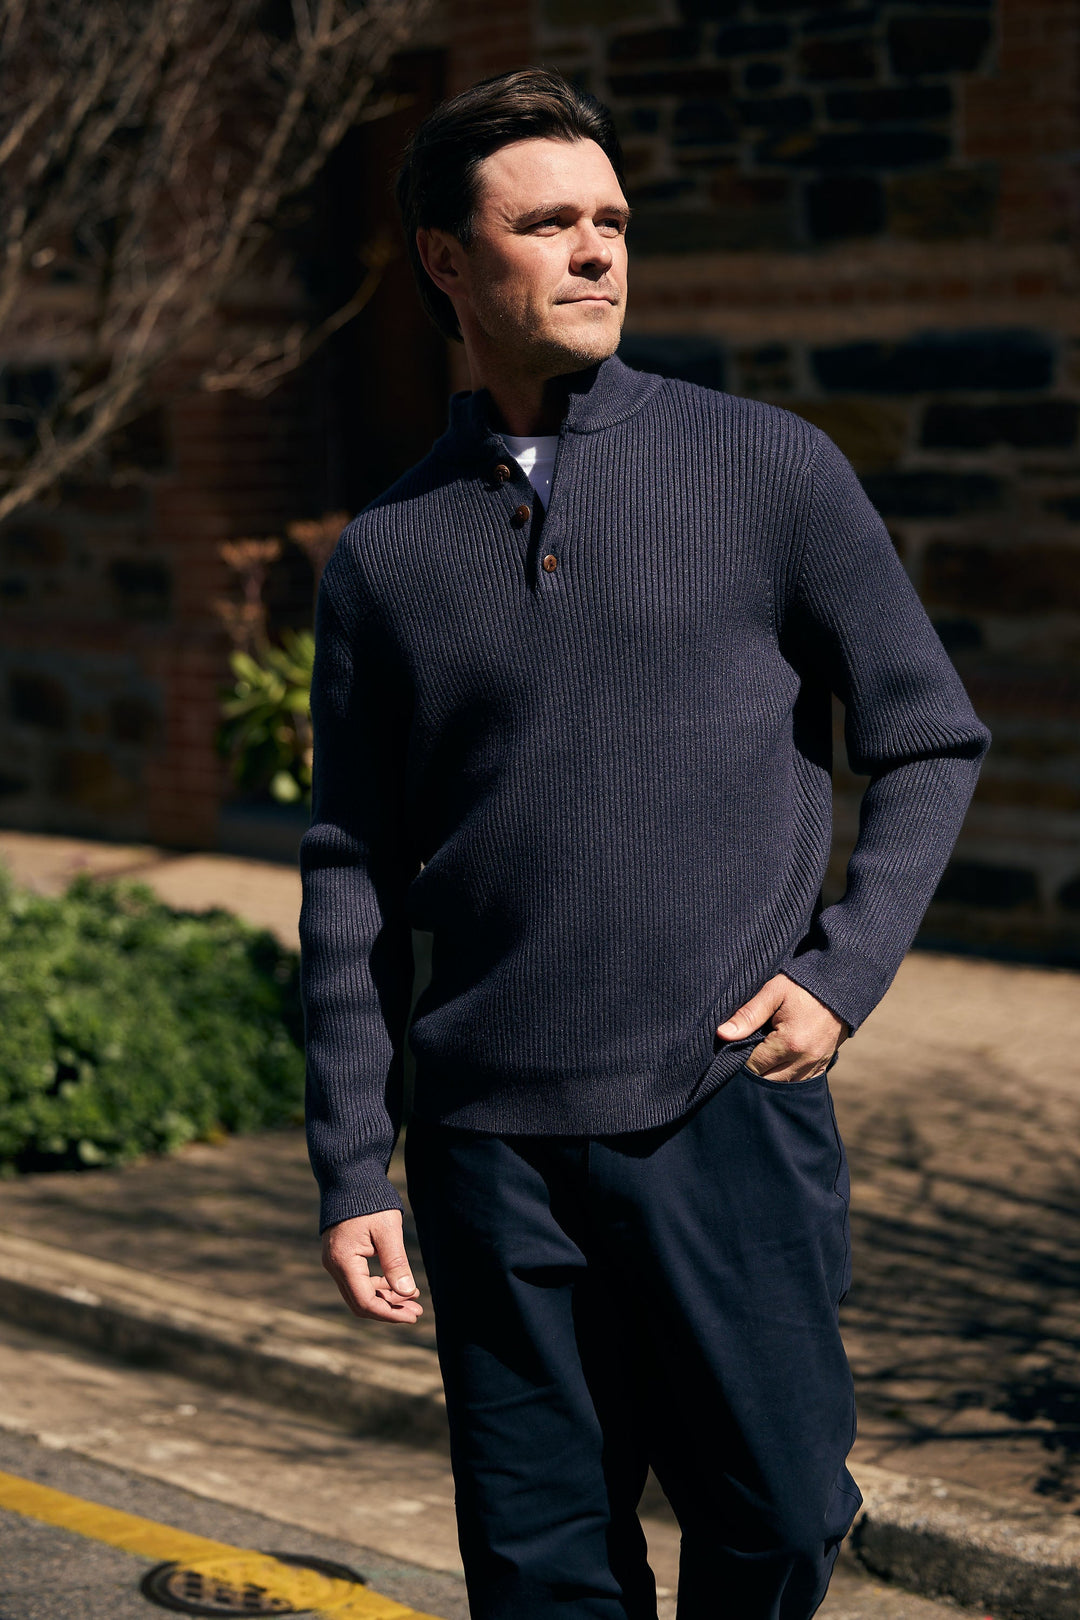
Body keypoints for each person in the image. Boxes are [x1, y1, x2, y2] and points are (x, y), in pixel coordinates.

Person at [298, 67, 992, 1620]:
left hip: (722, 1110)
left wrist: (842, 973)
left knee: (780, 1508)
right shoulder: (389, 555)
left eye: (612, 221)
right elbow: (350, 863)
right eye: (548, 224)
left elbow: (929, 734)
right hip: (488, 1143)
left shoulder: (770, 468)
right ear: (445, 261)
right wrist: (355, 1159)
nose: (597, 252)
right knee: (541, 1561)